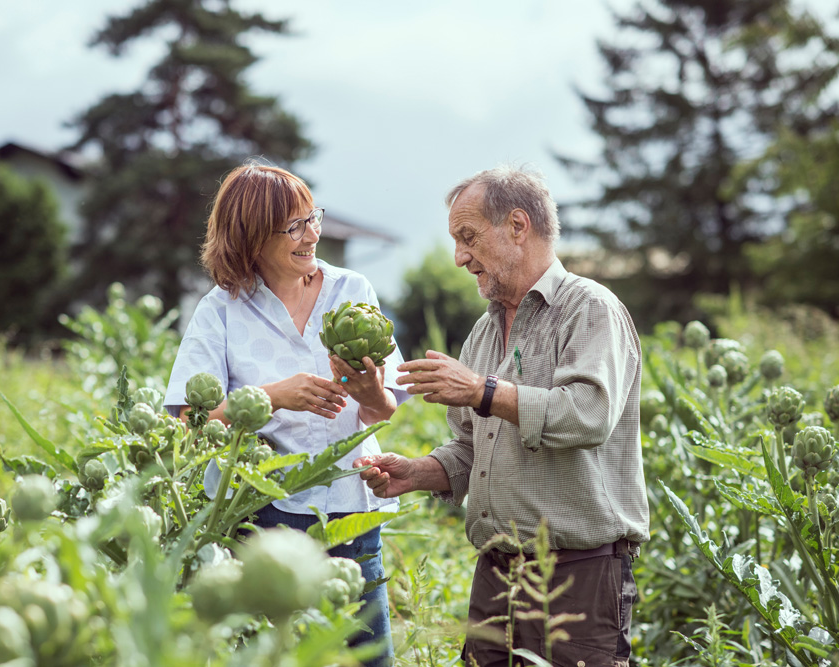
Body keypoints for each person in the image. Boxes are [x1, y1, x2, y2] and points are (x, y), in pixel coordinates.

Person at [354, 166, 649, 667]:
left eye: (468, 237)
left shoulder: (590, 309)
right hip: (496, 572)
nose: (459, 257)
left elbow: (588, 414)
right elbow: (471, 446)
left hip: (577, 575)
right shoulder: (484, 332)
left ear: (518, 226)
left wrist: (481, 389)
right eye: (455, 241)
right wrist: (419, 472)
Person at [163, 161, 408, 666]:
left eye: (312, 217)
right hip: (258, 514)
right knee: (270, 656)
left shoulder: (352, 292)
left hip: (348, 506)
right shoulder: (220, 309)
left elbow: (384, 410)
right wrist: (273, 396)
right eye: (293, 226)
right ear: (250, 238)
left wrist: (369, 392)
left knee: (368, 657)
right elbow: (187, 421)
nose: (311, 234)